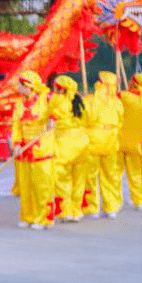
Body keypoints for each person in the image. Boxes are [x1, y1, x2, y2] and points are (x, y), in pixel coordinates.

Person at [11, 71, 55, 230]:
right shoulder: (19, 103)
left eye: (21, 84)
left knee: (41, 185)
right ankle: (27, 216)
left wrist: (53, 119)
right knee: (25, 185)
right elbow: (16, 125)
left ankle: (42, 218)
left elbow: (59, 109)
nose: (18, 87)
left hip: (41, 148)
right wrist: (16, 143)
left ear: (28, 86)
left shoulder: (46, 98)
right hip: (23, 149)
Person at [83, 71, 123, 218]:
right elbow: (121, 121)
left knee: (91, 176)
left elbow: (84, 120)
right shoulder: (117, 102)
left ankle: (92, 208)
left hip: (93, 141)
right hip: (111, 141)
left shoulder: (89, 100)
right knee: (110, 175)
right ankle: (111, 207)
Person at [50, 76, 89, 222]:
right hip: (82, 144)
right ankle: (77, 211)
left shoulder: (58, 100)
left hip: (64, 145)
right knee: (79, 181)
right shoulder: (82, 102)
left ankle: (66, 211)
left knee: (62, 180)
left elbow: (50, 116)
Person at [118, 73, 142, 210]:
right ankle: (141, 199)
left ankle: (118, 201)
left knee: (117, 173)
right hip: (141, 143)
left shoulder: (125, 98)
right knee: (139, 173)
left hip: (121, 142)